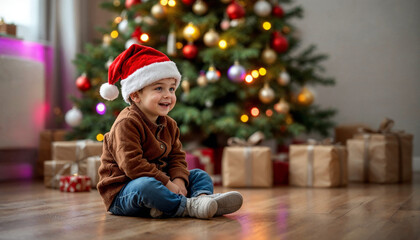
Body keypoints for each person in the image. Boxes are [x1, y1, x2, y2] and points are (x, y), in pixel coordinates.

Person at [96, 44, 243, 219]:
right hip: (123, 192)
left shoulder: (169, 124)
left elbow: (177, 157)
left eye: (171, 88)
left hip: (161, 183)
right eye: (159, 88)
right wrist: (167, 183)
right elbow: (132, 165)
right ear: (135, 95)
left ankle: (201, 199)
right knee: (146, 186)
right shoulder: (127, 123)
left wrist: (179, 180)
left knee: (199, 175)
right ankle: (188, 206)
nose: (168, 95)